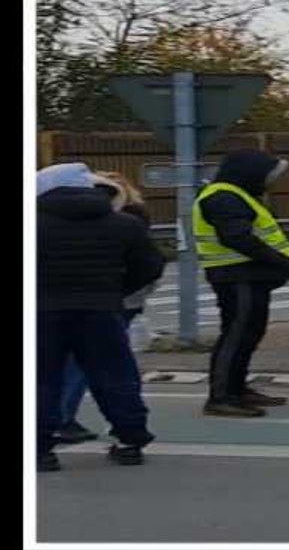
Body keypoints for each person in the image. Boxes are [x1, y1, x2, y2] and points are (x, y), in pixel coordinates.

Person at [37, 163, 165, 472]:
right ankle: (130, 440)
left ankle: (40, 449)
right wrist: (115, 293)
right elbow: (150, 267)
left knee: (42, 379)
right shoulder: (124, 224)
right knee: (114, 375)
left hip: (42, 311)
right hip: (102, 310)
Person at [193, 148, 289, 417]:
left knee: (248, 334)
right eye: (269, 174)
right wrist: (279, 261)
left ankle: (237, 389)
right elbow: (236, 237)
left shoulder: (236, 194)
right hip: (237, 275)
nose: (271, 181)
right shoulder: (223, 196)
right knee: (236, 335)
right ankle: (221, 396)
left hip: (246, 275)